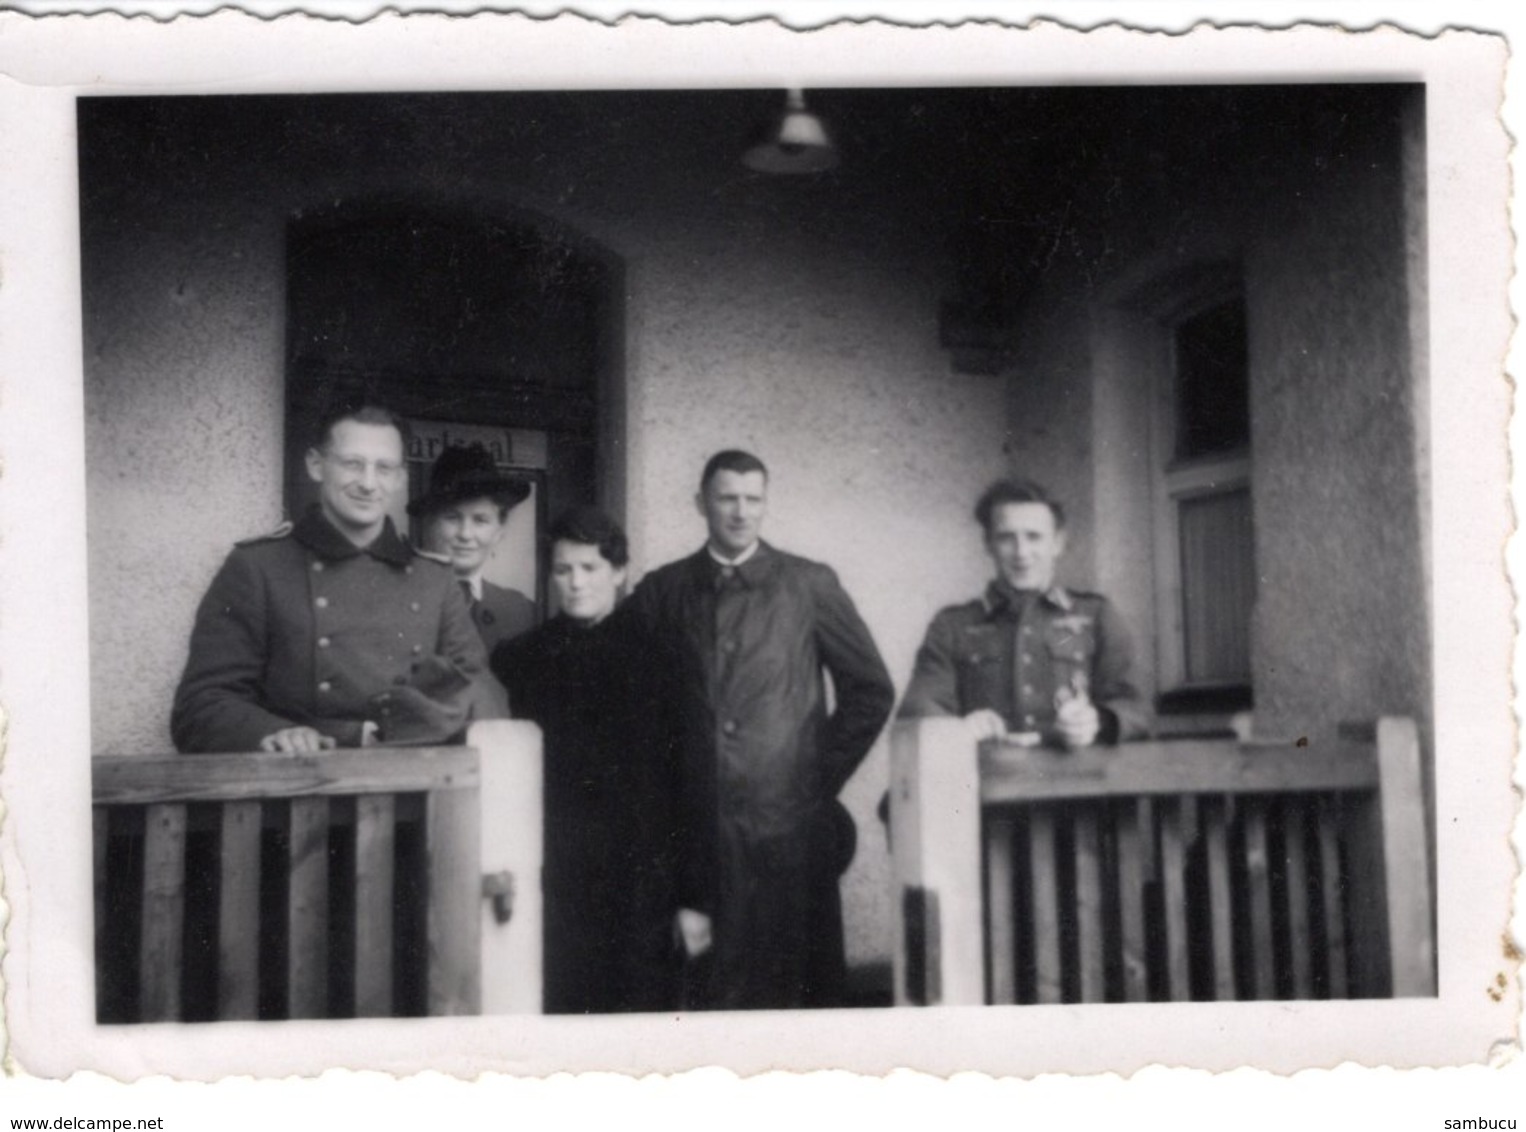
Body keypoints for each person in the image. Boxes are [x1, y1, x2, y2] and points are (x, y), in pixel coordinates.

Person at [627, 450, 895, 1011]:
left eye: (753, 499)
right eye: (727, 498)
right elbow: (638, 712)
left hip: (789, 838)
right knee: (706, 1001)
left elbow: (870, 691)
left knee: (793, 993)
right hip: (697, 840)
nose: (741, 512)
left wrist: (810, 778)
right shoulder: (662, 592)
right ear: (701, 503)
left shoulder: (809, 585)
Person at [171, 403, 495, 754]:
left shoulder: (434, 580)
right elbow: (200, 707)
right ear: (316, 465)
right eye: (352, 464)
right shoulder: (258, 567)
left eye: (384, 468)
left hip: (409, 791)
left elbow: (477, 695)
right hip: (299, 789)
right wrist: (275, 733)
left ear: (401, 478)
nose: (369, 484)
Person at [491, 506, 670, 1014]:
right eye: (564, 570)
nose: (575, 583)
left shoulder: (662, 658)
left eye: (589, 569)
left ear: (619, 572)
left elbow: (690, 780)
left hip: (639, 883)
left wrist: (695, 898)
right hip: (555, 876)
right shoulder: (521, 658)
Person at [899, 477, 1150, 747]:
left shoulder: (1096, 616)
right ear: (988, 544)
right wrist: (960, 728)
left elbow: (1138, 711)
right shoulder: (952, 626)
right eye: (1007, 538)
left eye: (1034, 537)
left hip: (1076, 783)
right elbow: (918, 711)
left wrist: (1097, 721)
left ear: (1057, 543)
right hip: (986, 782)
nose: (1022, 552)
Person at [409, 443, 537, 655]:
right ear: (429, 523)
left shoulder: (521, 612)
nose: (466, 534)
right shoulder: (396, 600)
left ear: (499, 531)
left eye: (480, 520)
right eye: (452, 518)